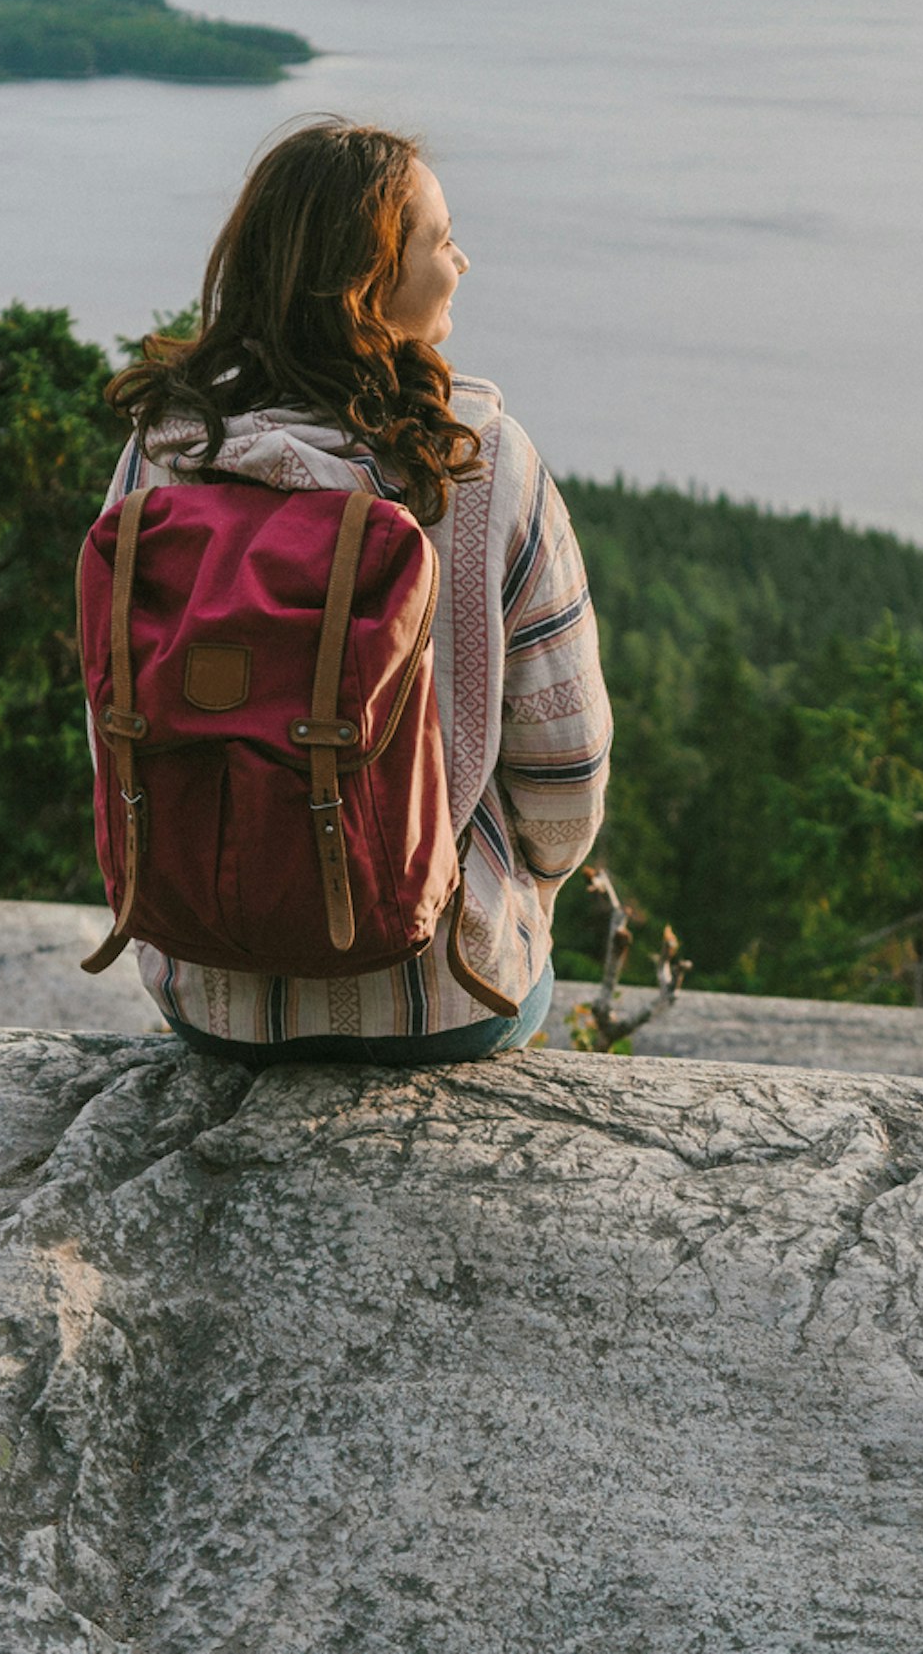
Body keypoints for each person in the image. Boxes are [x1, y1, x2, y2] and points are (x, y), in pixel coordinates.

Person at [103, 119, 609, 1065]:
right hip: (446, 1002)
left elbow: (116, 719)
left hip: (212, 999)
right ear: (369, 285)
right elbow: (564, 783)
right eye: (442, 238)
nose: (463, 257)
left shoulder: (163, 450)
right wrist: (523, 896)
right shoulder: (485, 463)